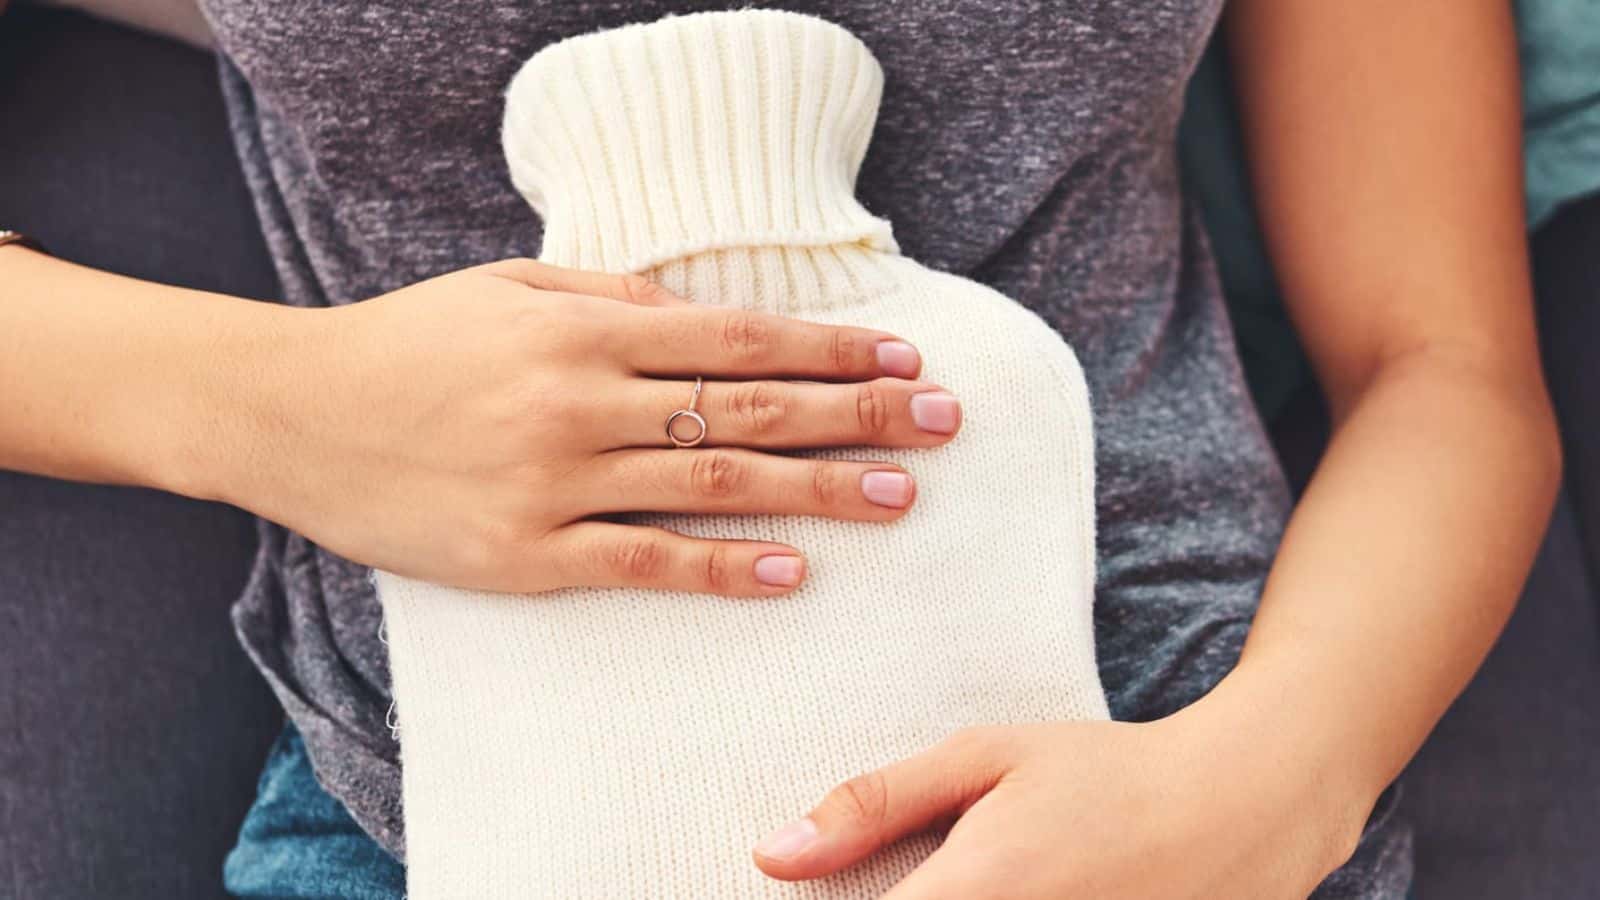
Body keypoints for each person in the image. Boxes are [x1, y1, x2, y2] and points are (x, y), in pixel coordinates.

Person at [0, 2, 1557, 898]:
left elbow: (1443, 361)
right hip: (451, 808)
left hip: (1164, 784)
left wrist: (1279, 779)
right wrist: (275, 405)